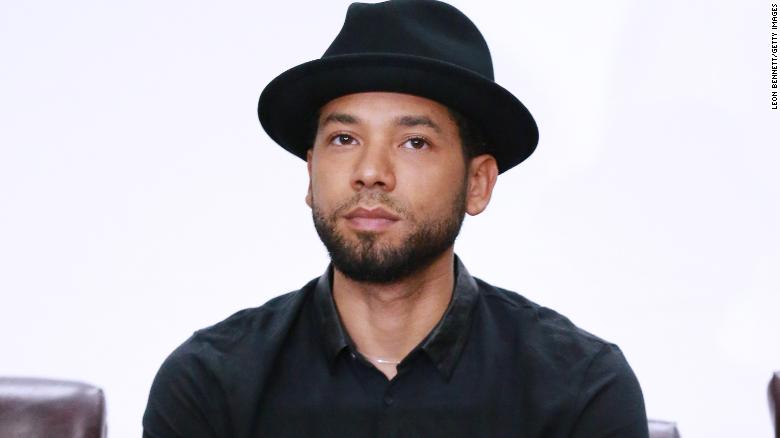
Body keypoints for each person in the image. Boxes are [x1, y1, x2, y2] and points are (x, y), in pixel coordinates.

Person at [142, 1, 649, 437]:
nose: (370, 173)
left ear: (478, 183)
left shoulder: (578, 390)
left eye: (414, 142)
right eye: (344, 139)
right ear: (311, 172)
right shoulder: (212, 383)